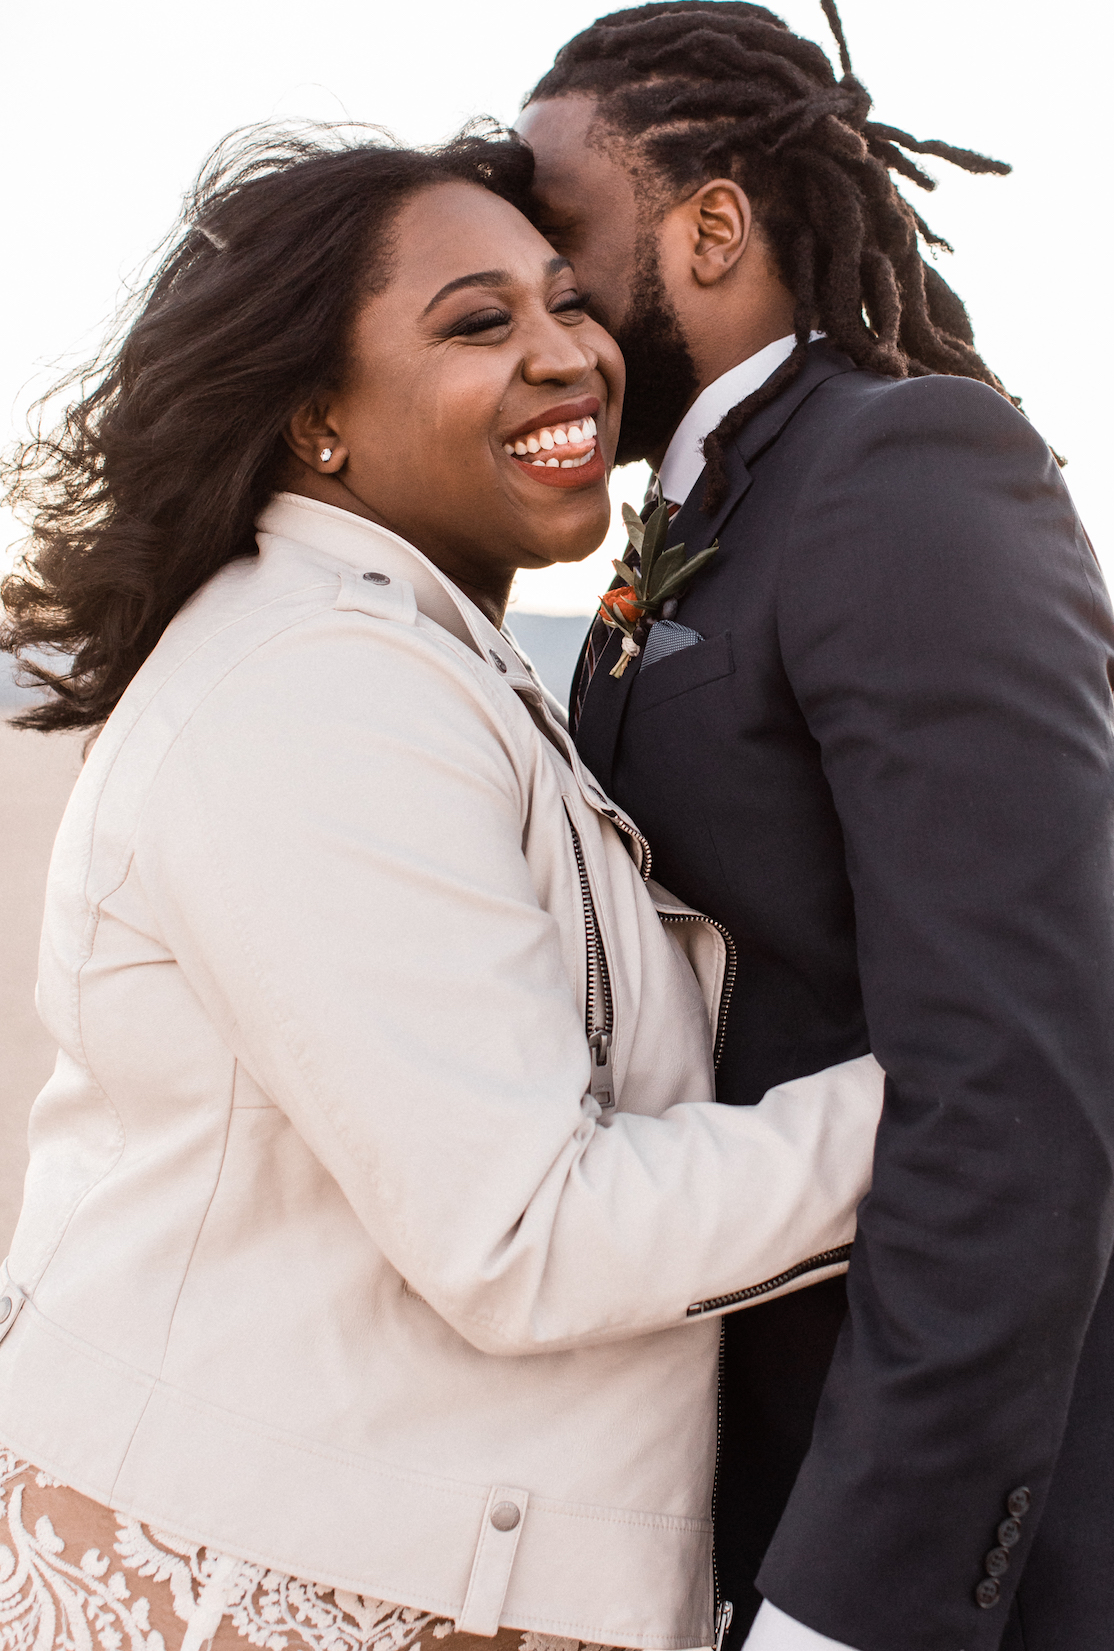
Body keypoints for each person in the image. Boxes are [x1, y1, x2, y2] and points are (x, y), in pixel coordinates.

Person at [0, 124, 886, 1651]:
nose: (567, 355)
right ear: (316, 419)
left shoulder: (417, 656)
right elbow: (527, 1232)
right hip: (263, 1579)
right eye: (478, 324)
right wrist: (955, 1098)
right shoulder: (319, 683)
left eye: (565, 301)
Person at [516, 0, 1114, 1651]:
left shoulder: (904, 467)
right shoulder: (688, 516)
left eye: (561, 233)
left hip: (1033, 1490)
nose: (541, 295)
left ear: (715, 224)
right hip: (798, 1404)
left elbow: (1024, 1082)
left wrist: (850, 1606)